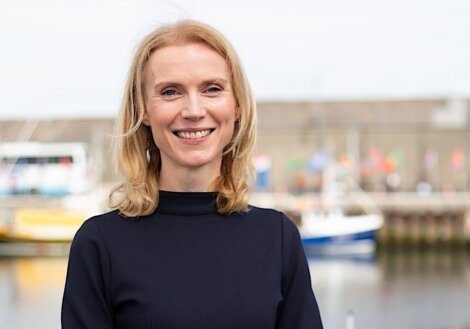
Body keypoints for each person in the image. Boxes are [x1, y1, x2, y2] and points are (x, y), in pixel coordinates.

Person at [61, 19, 323, 329]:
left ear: (236, 105)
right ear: (142, 109)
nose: (194, 110)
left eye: (212, 89)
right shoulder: (99, 245)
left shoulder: (277, 239)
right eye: (170, 92)